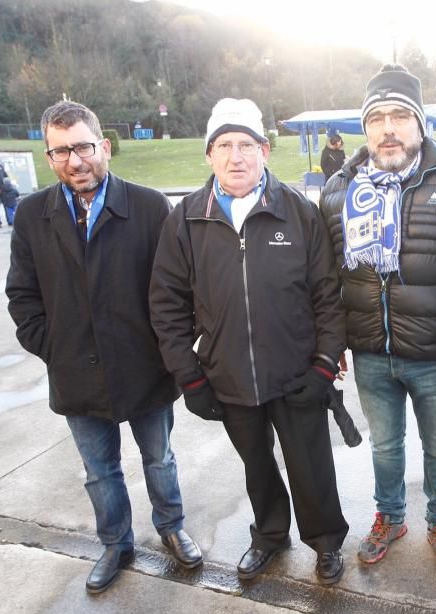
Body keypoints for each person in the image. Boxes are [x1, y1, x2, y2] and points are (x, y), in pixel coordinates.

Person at [319, 64, 436, 578]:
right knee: (385, 447)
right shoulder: (339, 191)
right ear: (364, 128)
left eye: (401, 115)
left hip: (434, 353)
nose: (388, 128)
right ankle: (390, 516)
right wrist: (332, 337)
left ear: (421, 124)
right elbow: (325, 276)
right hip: (370, 355)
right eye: (377, 117)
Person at [149, 98, 350, 586]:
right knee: (256, 466)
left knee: (311, 466)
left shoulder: (298, 212)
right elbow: (166, 305)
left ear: (264, 151)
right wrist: (190, 377)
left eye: (245, 145)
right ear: (209, 155)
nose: (235, 157)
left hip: (296, 372)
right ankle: (269, 535)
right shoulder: (185, 219)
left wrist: (324, 364)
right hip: (228, 375)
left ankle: (325, 542)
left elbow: (327, 294)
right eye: (224, 146)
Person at [6, 100, 202, 595]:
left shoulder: (151, 206)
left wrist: (166, 350)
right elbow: (22, 295)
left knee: (159, 458)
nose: (76, 161)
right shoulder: (32, 215)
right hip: (76, 371)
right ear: (49, 157)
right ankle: (115, 544)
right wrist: (53, 347)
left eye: (84, 147)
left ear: (104, 147)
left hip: (146, 369)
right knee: (99, 470)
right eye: (61, 151)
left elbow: (183, 290)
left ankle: (172, 526)